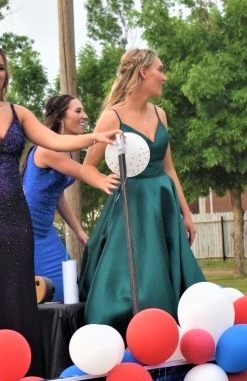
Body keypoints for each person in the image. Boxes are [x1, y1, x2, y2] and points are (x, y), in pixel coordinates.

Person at [0, 43, 120, 376]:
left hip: (15, 212)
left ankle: (22, 369)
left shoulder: (18, 112)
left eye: (0, 68)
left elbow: (56, 142)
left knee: (20, 285)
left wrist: (96, 137)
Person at [79, 48, 206, 334]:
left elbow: (169, 168)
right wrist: (103, 182)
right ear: (143, 72)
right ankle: (140, 331)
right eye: (160, 70)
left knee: (174, 274)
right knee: (142, 278)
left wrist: (186, 213)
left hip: (163, 203)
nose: (165, 77)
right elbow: (87, 167)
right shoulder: (112, 117)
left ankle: (176, 329)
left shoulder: (161, 114)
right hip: (131, 207)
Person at [22, 94, 120, 302]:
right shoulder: (48, 149)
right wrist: (104, 181)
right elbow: (83, 172)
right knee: (51, 292)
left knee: (69, 286)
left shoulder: (68, 153)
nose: (84, 116)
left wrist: (79, 231)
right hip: (27, 233)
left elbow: (57, 196)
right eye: (78, 111)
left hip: (45, 232)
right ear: (60, 118)